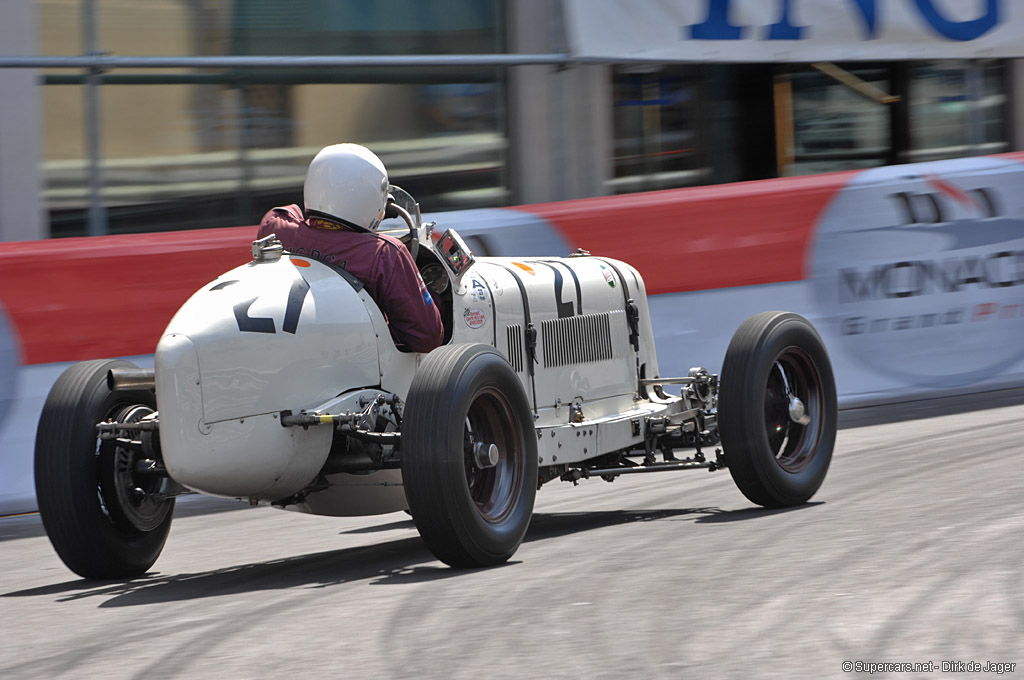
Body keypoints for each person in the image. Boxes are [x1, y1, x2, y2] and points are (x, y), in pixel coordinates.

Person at [257, 143, 444, 353]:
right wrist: (435, 297)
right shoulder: (385, 256)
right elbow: (428, 337)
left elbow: (290, 215)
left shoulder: (276, 227)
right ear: (369, 195)